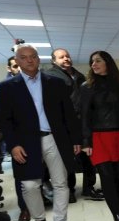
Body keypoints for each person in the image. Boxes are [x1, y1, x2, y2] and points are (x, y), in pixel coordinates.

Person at [0, 44, 82, 221]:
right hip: (25, 143)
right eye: (24, 57)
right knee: (30, 185)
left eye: (33, 56)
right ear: (17, 62)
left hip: (54, 138)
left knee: (61, 182)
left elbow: (68, 114)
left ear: (38, 59)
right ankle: (40, 220)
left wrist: (75, 139)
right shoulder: (7, 87)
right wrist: (13, 145)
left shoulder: (55, 83)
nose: (29, 60)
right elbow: (5, 120)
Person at [79, 51, 119, 221]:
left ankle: (118, 210)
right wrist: (86, 141)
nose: (94, 64)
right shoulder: (87, 87)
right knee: (107, 179)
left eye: (98, 61)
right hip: (99, 138)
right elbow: (84, 116)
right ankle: (117, 219)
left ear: (107, 63)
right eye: (92, 61)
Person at [44, 48, 103, 203]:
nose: (66, 59)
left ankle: (88, 187)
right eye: (61, 57)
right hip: (64, 124)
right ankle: (69, 190)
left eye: (67, 56)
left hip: (83, 122)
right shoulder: (50, 76)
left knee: (88, 156)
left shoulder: (79, 76)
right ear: (54, 61)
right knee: (68, 158)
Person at [0, 56, 31, 221]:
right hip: (17, 137)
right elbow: (1, 115)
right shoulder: (4, 87)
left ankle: (40, 201)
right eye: (16, 65)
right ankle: (24, 208)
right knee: (21, 174)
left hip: (39, 135)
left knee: (39, 175)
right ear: (10, 69)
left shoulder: (38, 83)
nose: (20, 67)